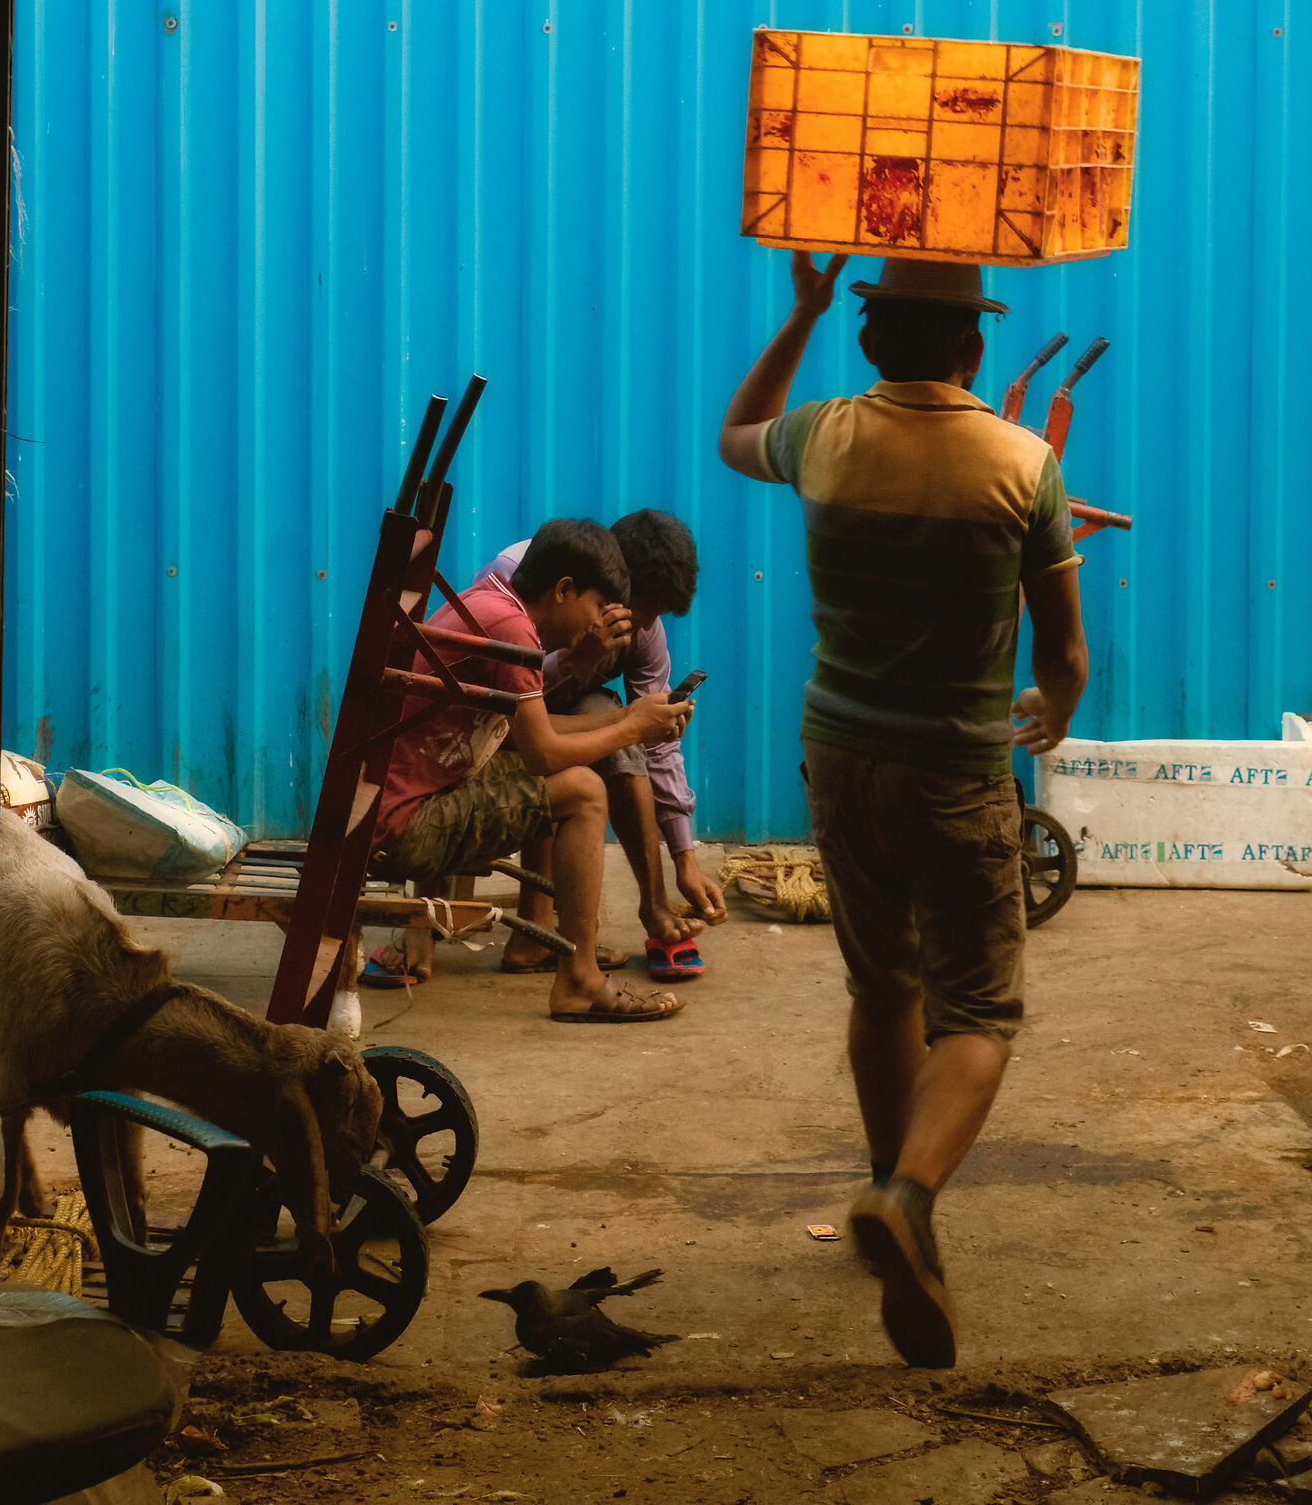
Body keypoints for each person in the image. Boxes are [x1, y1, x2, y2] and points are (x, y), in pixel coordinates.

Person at [718, 253, 1089, 1367]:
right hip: (955, 770)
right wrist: (1056, 704)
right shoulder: (1024, 465)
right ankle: (911, 1199)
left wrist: (802, 311)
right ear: (974, 345)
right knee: (979, 1013)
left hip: (840, 758)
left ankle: (889, 1194)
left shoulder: (823, 436)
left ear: (873, 339)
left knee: (883, 984)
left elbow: (739, 434)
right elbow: (1064, 647)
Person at [367, 517, 692, 1025]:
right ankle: (580, 980)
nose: (595, 626)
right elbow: (543, 755)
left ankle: (550, 946)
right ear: (564, 589)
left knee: (573, 780)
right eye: (594, 608)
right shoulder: (515, 630)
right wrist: (632, 731)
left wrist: (632, 715)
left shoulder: (490, 600)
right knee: (583, 791)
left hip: (386, 806)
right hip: (404, 827)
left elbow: (537, 725)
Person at [485, 510, 727, 981]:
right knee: (592, 758)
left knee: (625, 734)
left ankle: (654, 909)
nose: (643, 624)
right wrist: (577, 659)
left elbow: (656, 745)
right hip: (496, 721)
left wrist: (685, 858)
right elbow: (510, 706)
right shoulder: (515, 582)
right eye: (640, 607)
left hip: (554, 722)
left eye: (655, 615)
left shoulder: (644, 631)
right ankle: (538, 932)